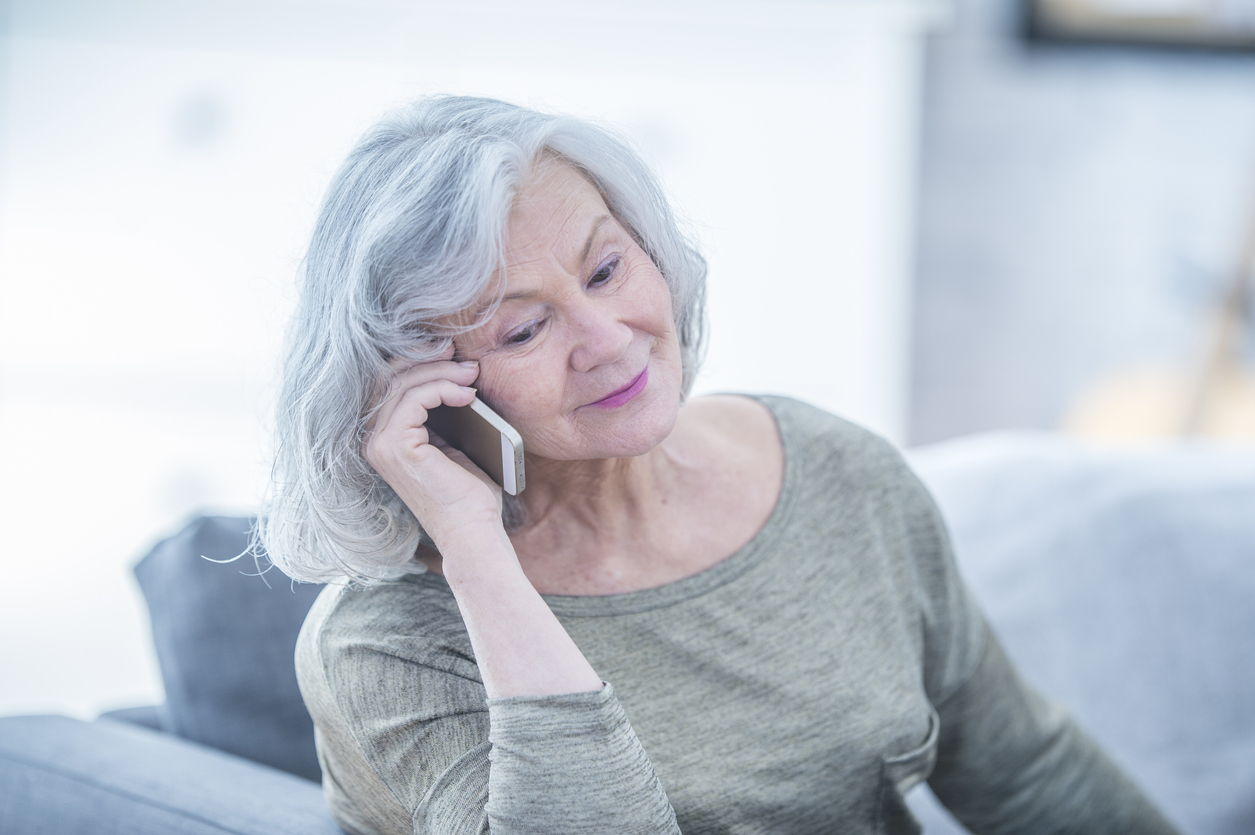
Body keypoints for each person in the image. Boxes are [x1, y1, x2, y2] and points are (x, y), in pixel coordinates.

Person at [261, 96, 1178, 835]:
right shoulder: (383, 642)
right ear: (418, 387)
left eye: (607, 269)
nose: (607, 339)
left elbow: (1021, 770)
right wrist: (472, 547)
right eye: (524, 328)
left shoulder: (831, 468)